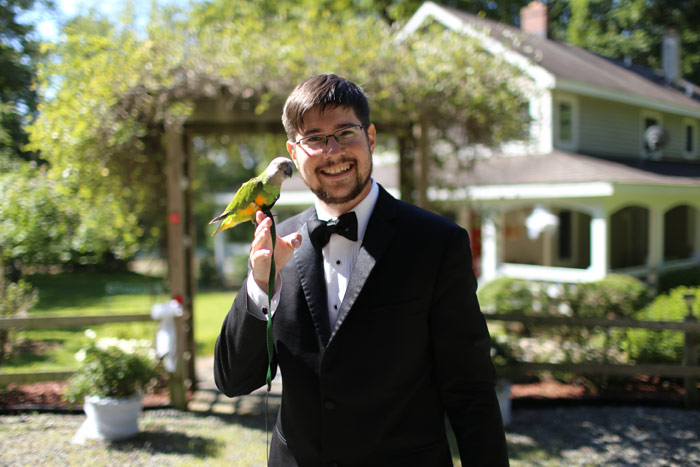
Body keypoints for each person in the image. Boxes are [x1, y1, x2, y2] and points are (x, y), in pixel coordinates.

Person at [214, 74, 508, 466]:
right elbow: (234, 380)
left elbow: (470, 388)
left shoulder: (437, 242)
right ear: (293, 151)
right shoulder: (276, 241)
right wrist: (260, 284)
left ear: (370, 137)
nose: (331, 151)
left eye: (345, 132)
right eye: (314, 138)